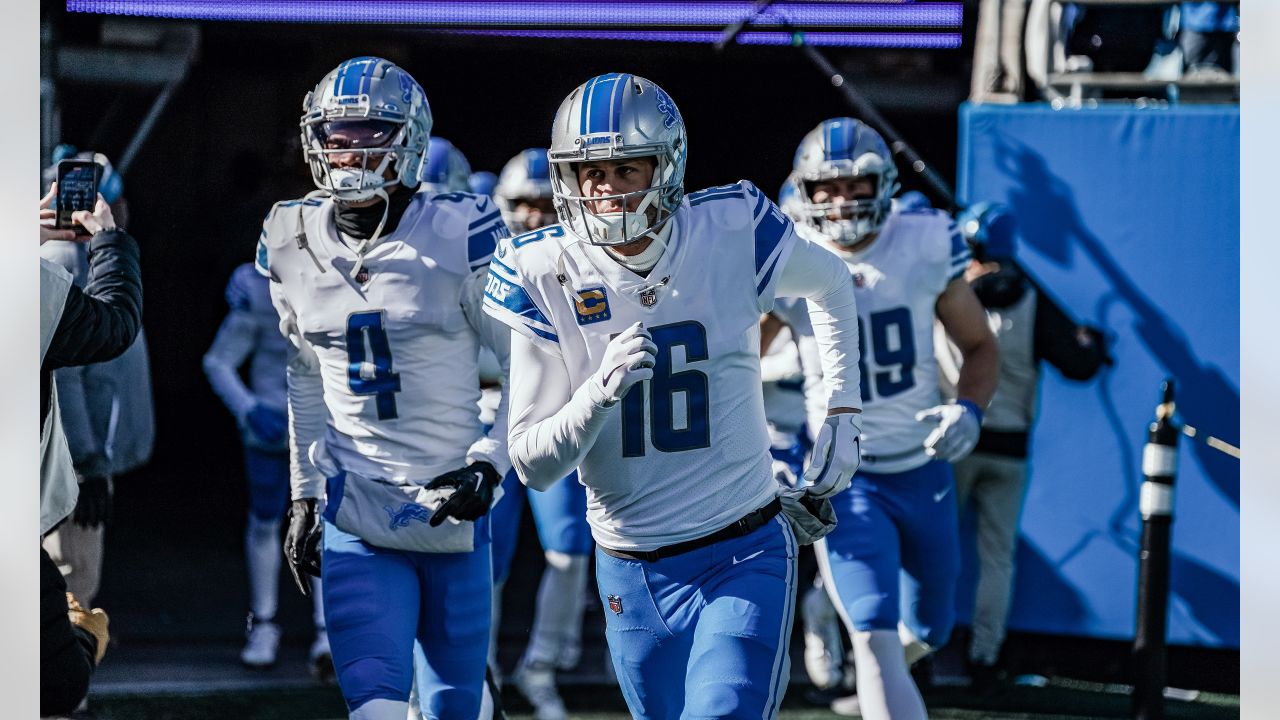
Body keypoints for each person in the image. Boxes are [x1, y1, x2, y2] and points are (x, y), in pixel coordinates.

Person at [483, 73, 865, 719]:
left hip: (741, 545)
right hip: (629, 567)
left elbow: (830, 280)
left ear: (666, 164)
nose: (604, 190)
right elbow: (535, 464)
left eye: (624, 167)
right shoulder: (541, 269)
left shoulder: (730, 227)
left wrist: (844, 409)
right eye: (589, 172)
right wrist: (596, 397)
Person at [260, 56, 511, 720]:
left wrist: (492, 460)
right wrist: (303, 495)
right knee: (374, 710)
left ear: (410, 139)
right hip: (357, 513)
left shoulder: (461, 229)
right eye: (337, 136)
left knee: (457, 708)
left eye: (372, 132)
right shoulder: (289, 236)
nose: (350, 152)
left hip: (452, 509)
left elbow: (531, 368)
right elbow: (305, 376)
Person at [775, 117, 998, 720]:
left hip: (921, 466)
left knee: (929, 627)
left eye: (856, 186)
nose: (842, 202)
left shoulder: (924, 240)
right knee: (873, 640)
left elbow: (980, 345)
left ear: (886, 185)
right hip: (842, 474)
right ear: (807, 192)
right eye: (827, 188)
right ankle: (853, 632)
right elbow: (736, 358)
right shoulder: (786, 251)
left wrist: (969, 409)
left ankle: (833, 615)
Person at [939, 202, 1110, 691]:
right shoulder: (1034, 299)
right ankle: (985, 657)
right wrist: (1091, 342)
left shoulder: (950, 292)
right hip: (1010, 448)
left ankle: (924, 653)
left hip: (954, 439)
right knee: (997, 558)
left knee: (936, 551)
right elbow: (1079, 365)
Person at [491, 148, 594, 720]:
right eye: (522, 205)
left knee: (568, 549)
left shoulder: (583, 261)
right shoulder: (479, 259)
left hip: (557, 416)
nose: (533, 216)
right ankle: (478, 664)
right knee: (487, 553)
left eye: (543, 204)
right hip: (488, 421)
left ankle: (541, 666)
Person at [39, 183, 142, 716]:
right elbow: (98, 344)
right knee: (72, 595)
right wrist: (89, 462)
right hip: (63, 477)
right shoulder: (47, 269)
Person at [40, 150, 155, 614]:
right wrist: (85, 466)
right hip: (71, 466)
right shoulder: (70, 255)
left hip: (77, 461)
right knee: (73, 594)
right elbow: (64, 375)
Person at [203, 263, 330, 675]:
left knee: (326, 523)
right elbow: (218, 361)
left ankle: (329, 631)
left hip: (325, 427)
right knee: (264, 519)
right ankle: (264, 623)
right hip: (271, 427)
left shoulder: (345, 275)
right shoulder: (257, 289)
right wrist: (249, 408)